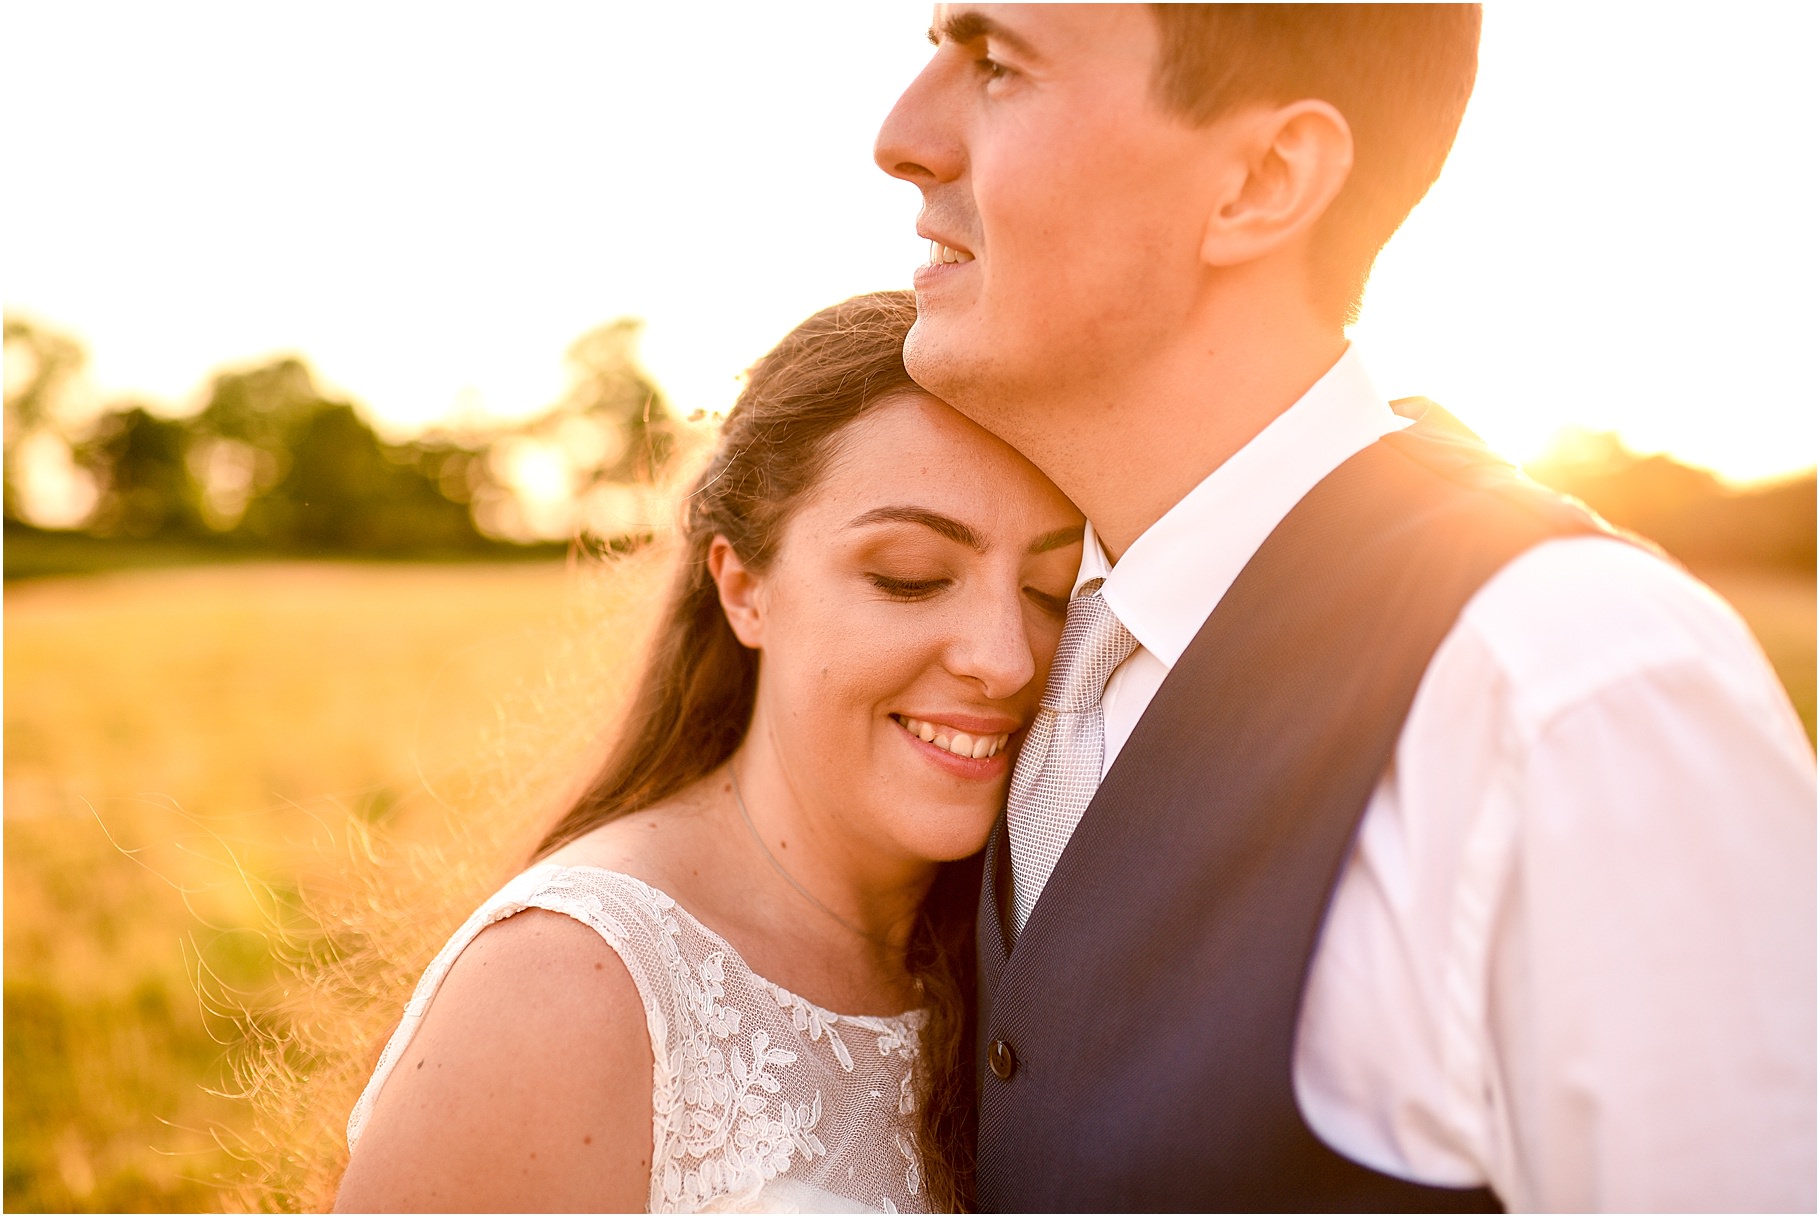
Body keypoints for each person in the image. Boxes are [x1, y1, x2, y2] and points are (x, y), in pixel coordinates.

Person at [874, 4, 1815, 1212]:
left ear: (1261, 179)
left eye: (998, 65)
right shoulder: (1011, 658)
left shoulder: (1571, 690)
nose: (900, 136)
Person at [332, 291, 1084, 1212]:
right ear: (744, 587)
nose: (1006, 659)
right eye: (911, 578)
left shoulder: (1037, 947)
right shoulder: (568, 986)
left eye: (1053, 588)